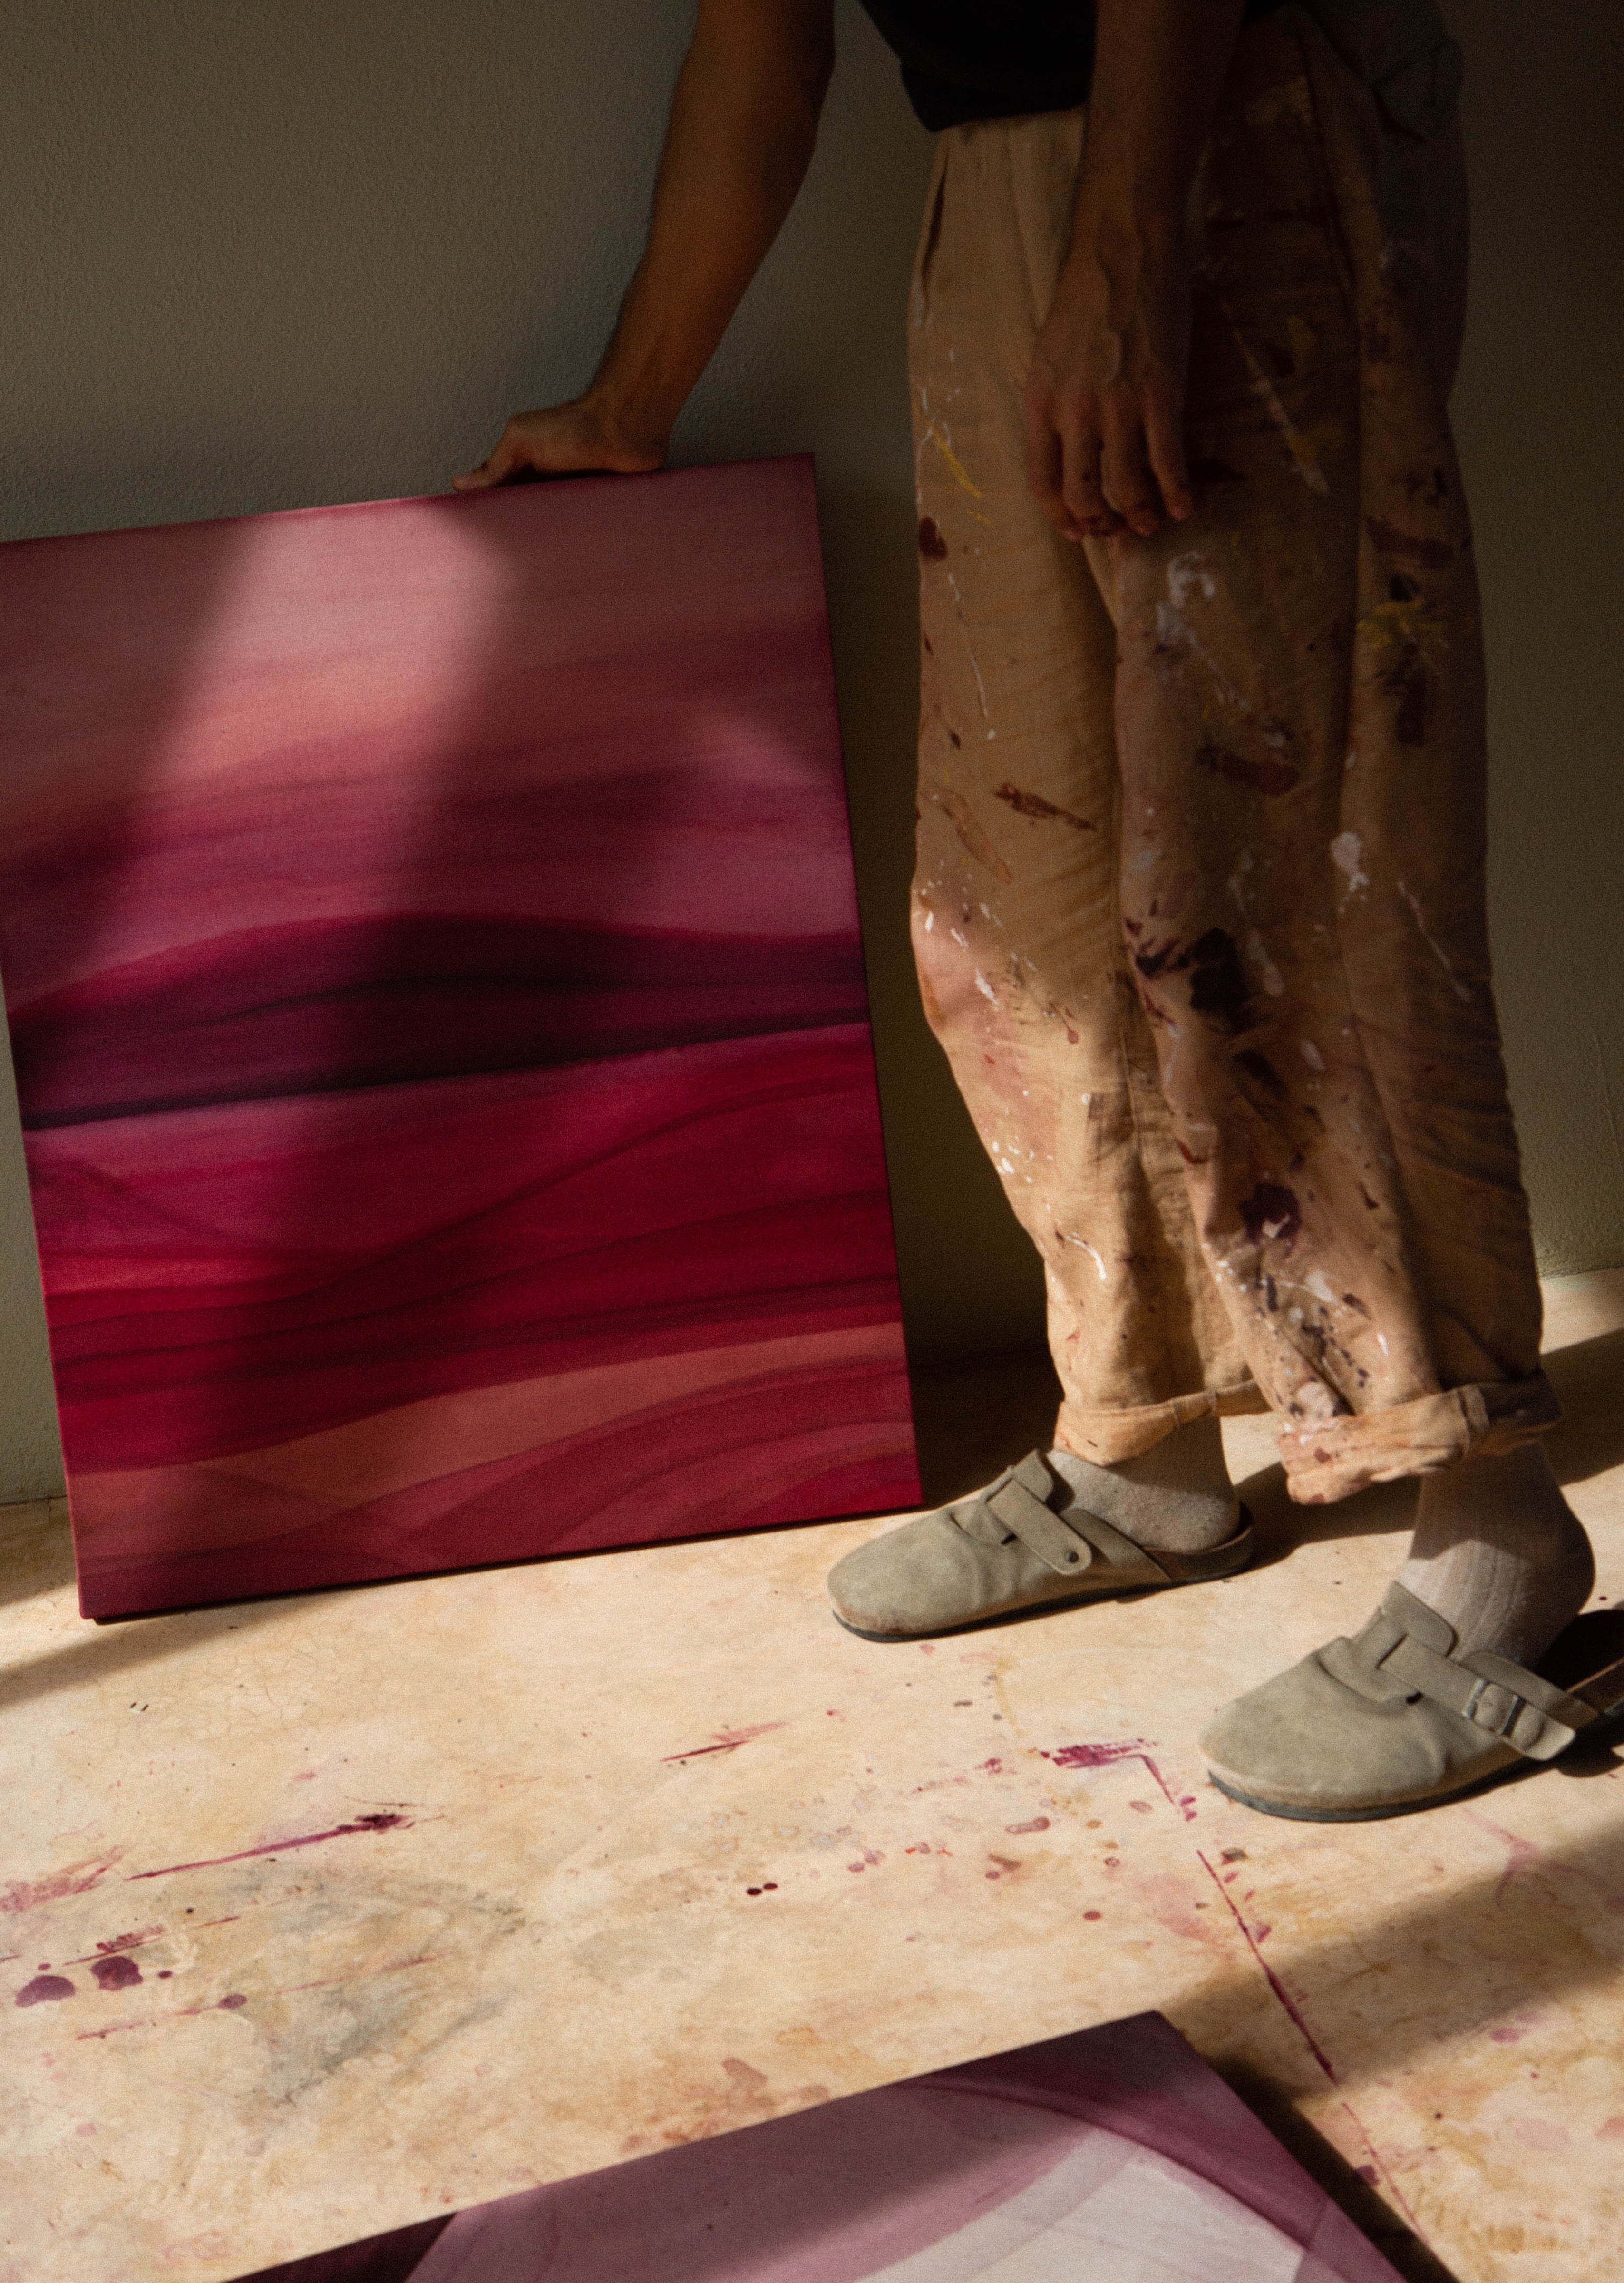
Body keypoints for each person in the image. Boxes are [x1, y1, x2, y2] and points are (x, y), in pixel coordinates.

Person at [459, 0, 1609, 1820]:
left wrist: (1131, 247)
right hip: (997, 168)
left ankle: (1494, 1530)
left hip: (1240, 117)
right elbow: (766, 32)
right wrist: (631, 399)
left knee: (1305, 875)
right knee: (1023, 872)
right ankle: (1144, 1446)